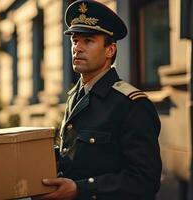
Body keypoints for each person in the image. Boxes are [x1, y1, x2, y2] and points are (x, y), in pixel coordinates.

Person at [34, 0, 162, 200]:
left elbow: (145, 180)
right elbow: (77, 155)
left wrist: (81, 189)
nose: (78, 48)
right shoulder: (75, 95)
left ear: (110, 50)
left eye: (88, 40)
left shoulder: (132, 104)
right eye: (75, 40)